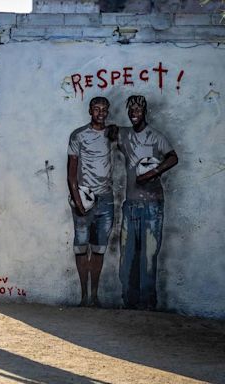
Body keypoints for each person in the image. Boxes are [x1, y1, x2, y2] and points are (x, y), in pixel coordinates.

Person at [117, 95, 178, 310]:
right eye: (131, 109)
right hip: (131, 204)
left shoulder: (155, 136)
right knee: (127, 257)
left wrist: (152, 172)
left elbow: (173, 157)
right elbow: (106, 133)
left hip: (153, 205)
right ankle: (129, 303)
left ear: (145, 112)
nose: (134, 113)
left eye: (138, 109)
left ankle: (147, 306)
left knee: (148, 257)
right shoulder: (123, 135)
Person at [67, 97, 115, 307]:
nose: (100, 113)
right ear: (90, 111)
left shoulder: (113, 134)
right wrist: (79, 203)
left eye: (104, 109)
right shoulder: (78, 135)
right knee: (81, 248)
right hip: (84, 199)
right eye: (96, 109)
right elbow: (70, 175)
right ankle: (83, 295)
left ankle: (94, 296)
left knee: (98, 249)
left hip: (106, 200)